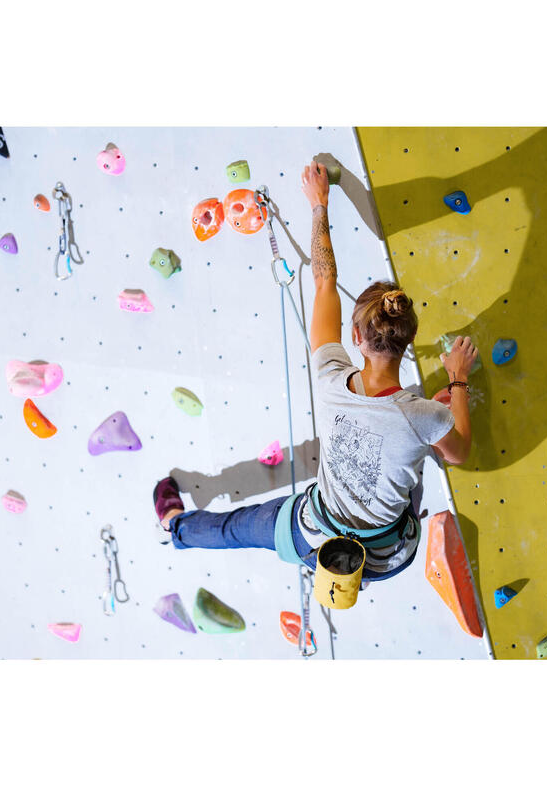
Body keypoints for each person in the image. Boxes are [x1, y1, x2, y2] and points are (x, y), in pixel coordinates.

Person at [152, 160, 478, 584]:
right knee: (414, 460)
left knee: (234, 529)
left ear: (356, 336)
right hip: (382, 561)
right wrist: (457, 379)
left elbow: (324, 282)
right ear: (408, 340)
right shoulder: (425, 417)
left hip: (308, 536)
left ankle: (173, 525)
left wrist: (319, 205)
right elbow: (460, 451)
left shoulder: (330, 376)